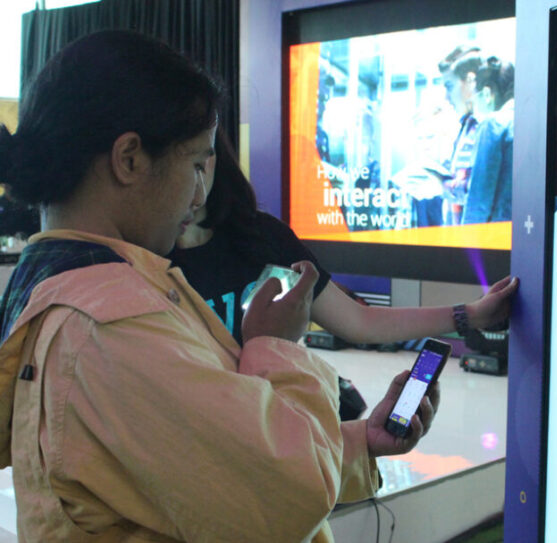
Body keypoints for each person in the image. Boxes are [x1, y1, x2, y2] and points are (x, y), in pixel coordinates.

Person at [0, 30, 438, 542]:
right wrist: (275, 346)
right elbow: (285, 497)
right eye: (195, 165)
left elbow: (215, 461)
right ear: (130, 160)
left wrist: (361, 442)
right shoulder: (112, 326)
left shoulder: (67, 288)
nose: (199, 193)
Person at [169, 128, 518, 352]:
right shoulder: (136, 262)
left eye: (202, 161)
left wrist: (469, 315)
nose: (195, 190)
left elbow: (358, 321)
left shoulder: (260, 236)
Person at [462, 56, 515, 225]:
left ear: (486, 94)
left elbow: (479, 200)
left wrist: (466, 248)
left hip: (496, 238)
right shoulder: (533, 121)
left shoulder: (493, 124)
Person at [438, 45, 482, 226]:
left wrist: (447, 186)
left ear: (470, 82)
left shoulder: (483, 127)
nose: (447, 98)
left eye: (450, 86)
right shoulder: (466, 125)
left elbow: (478, 189)